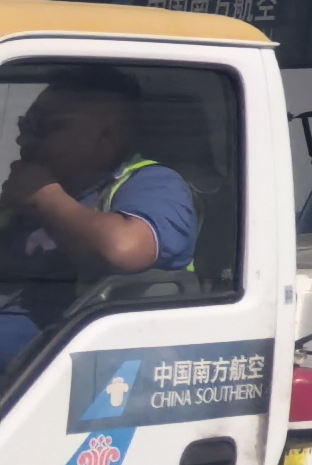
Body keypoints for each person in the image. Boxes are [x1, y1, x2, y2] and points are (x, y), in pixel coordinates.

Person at [2, 64, 197, 371]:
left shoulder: (154, 184)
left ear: (106, 135)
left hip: (69, 368)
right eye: (26, 126)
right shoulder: (28, 200)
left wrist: (45, 198)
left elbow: (124, 248)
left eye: (46, 127)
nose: (25, 141)